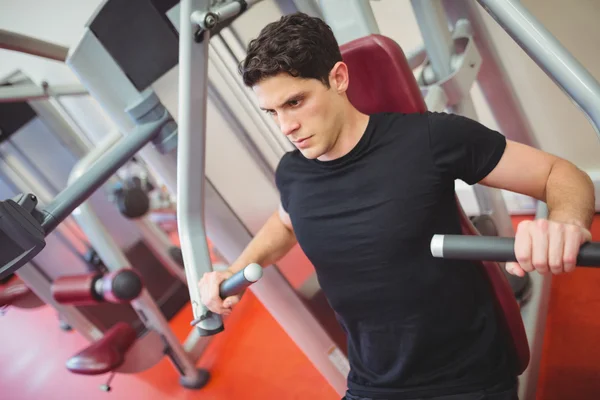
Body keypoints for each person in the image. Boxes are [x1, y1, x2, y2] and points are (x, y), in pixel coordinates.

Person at [199, 12, 595, 400]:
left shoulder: (428, 139)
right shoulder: (292, 172)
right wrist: (234, 269)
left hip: (466, 381)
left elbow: (558, 174)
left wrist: (565, 221)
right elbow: (285, 224)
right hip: (370, 384)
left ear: (338, 78)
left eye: (296, 102)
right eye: (273, 112)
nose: (285, 127)